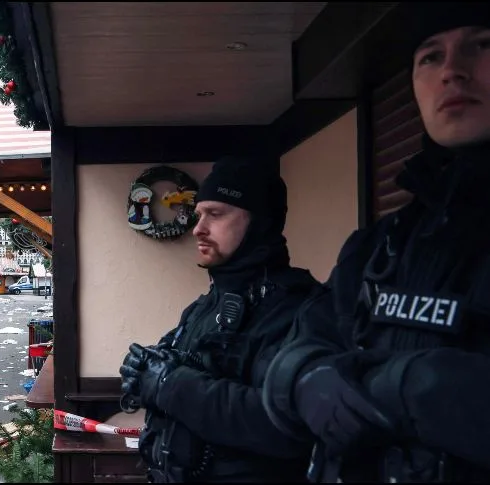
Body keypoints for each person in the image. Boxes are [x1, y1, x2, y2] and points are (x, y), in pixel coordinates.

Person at [262, 4, 490, 482]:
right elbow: (298, 349)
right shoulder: (380, 245)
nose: (451, 71)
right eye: (430, 56)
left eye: (482, 45)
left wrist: (402, 386)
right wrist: (304, 377)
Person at [119, 156, 320, 482]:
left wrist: (169, 384)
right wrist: (145, 373)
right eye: (199, 214)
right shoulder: (203, 307)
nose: (198, 228)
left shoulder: (301, 309)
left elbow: (284, 424)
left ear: (259, 222)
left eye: (216, 214)